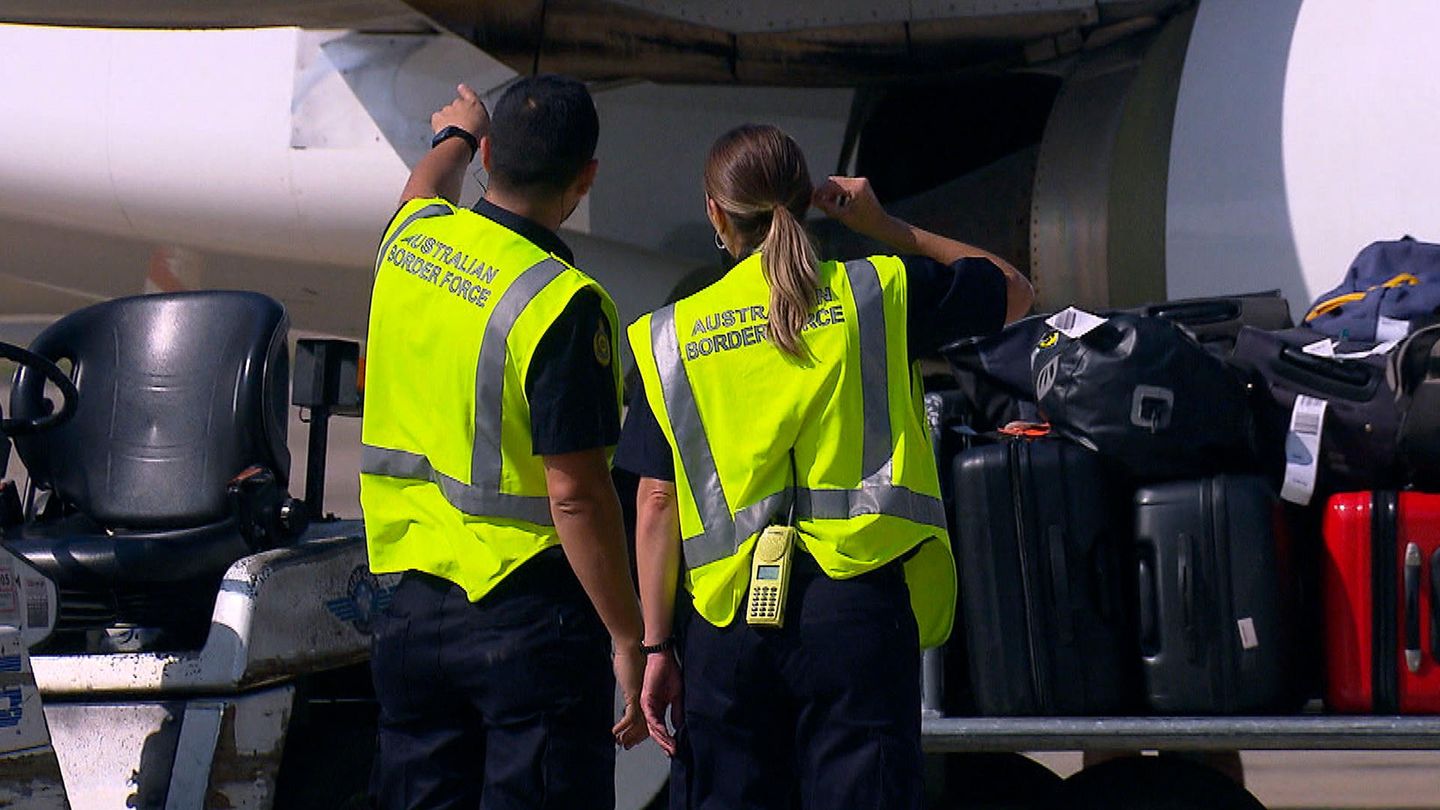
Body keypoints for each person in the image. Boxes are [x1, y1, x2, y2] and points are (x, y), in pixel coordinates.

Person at [617, 124, 1033, 809]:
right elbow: (1012, 289)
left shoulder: (672, 336)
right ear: (809, 200)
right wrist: (887, 225)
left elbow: (655, 503)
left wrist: (657, 647)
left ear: (715, 213)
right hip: (857, 612)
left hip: (729, 630)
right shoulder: (877, 293)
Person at [360, 76, 647, 809]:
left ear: (488, 155)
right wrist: (626, 632)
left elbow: (423, 186)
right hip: (525, 627)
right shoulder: (562, 305)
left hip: (411, 613)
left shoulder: (412, 240)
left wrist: (451, 135)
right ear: (586, 178)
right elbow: (577, 497)